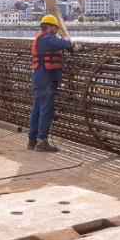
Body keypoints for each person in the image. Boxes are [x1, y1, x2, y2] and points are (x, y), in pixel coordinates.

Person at [28, 14, 75, 152]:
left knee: (36, 110)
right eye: (54, 28)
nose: (55, 31)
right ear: (49, 27)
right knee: (45, 111)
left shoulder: (41, 38)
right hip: (46, 80)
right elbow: (60, 43)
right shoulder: (47, 39)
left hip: (39, 79)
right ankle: (42, 141)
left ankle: (32, 141)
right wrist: (71, 44)